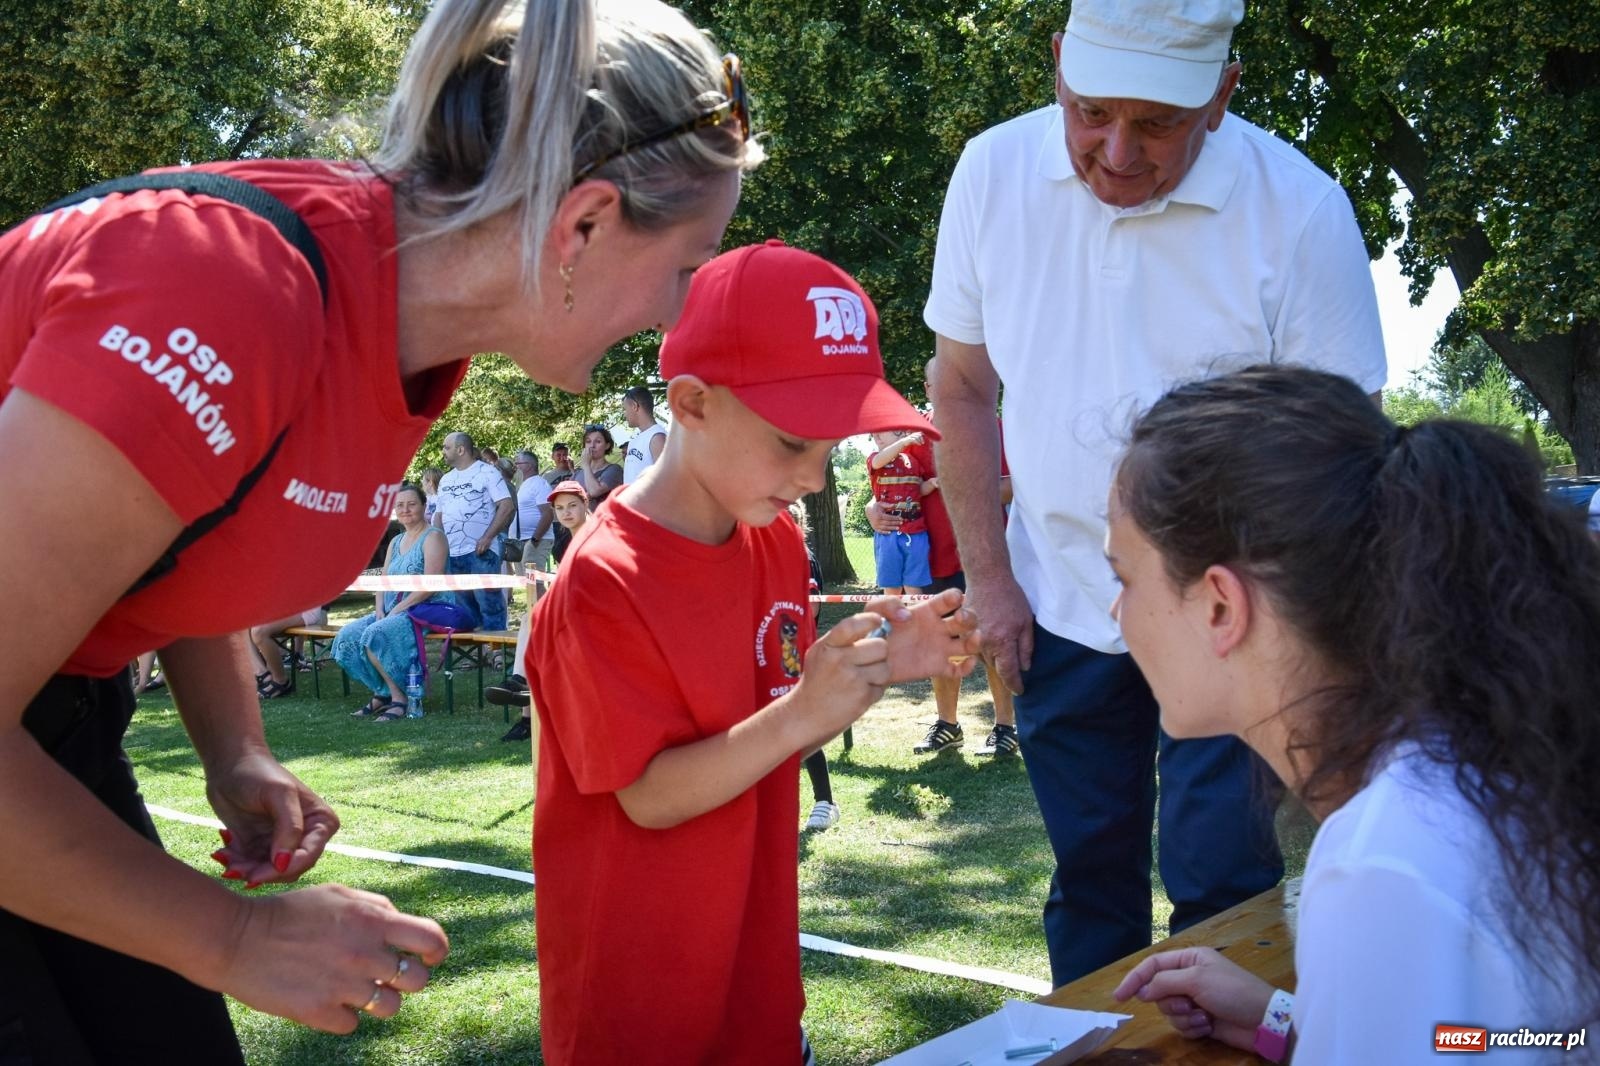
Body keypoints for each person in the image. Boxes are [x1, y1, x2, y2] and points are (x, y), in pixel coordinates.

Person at [0, 0, 758, 1055]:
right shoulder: (223, 287)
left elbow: (175, 537)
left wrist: (236, 753)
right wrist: (231, 938)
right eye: (687, 265)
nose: (679, 315)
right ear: (581, 224)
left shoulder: (403, 326)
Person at [924, 0, 1387, 985]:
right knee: (1089, 883)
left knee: (1223, 877)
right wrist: (990, 580)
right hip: (1056, 606)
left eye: (1159, 122)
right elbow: (960, 387)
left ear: (1221, 94)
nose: (1117, 152)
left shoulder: (1298, 211)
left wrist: (1294, 639)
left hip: (1236, 621)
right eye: (1090, 110)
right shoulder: (989, 173)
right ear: (1055, 65)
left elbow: (1342, 453)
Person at [527, 241, 981, 1064]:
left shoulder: (771, 540)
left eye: (832, 445)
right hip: (638, 1010)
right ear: (692, 402)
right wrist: (803, 711)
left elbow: (770, 737)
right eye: (791, 441)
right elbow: (650, 798)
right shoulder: (602, 579)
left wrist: (879, 664)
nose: (815, 475)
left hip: (756, 982)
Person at [1105, 365, 1600, 1064]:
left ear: (1220, 606)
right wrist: (1293, 1023)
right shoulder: (1480, 766)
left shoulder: (1386, 865)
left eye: (1123, 578)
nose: (1114, 613)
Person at [870, 410, 1020, 757]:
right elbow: (889, 481)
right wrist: (871, 508)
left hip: (983, 556)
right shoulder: (913, 434)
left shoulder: (992, 427)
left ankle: (1005, 728)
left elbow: (1013, 486)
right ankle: (948, 725)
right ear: (927, 386)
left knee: (989, 641)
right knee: (943, 643)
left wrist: (961, 483)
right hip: (929, 558)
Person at [333, 485, 455, 721]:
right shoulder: (395, 541)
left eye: (411, 504)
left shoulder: (434, 537)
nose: (405, 509)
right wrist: (380, 608)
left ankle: (400, 698)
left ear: (423, 506)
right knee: (346, 636)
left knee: (374, 634)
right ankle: (383, 691)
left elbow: (430, 585)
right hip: (391, 609)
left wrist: (397, 610)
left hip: (425, 609)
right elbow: (383, 581)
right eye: (400, 505)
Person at [490, 478, 590, 743]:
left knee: (534, 623)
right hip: (575, 614)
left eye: (572, 505)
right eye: (559, 508)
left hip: (600, 619)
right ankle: (524, 703)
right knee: (532, 623)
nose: (566, 512)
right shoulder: (565, 541)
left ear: (585, 505)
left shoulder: (597, 536)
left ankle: (521, 692)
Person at [436, 430, 515, 631]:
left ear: (461, 449)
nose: (443, 451)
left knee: (489, 603)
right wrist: (439, 545)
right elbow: (439, 515)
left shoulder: (488, 472)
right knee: (463, 609)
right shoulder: (445, 480)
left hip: (482, 552)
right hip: (453, 553)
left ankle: (496, 652)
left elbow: (506, 505)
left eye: (447, 447)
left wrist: (487, 537)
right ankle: (475, 656)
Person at [867, 429, 934, 596]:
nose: (876, 435)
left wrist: (933, 483)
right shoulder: (875, 458)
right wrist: (904, 442)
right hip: (889, 534)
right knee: (892, 587)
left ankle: (915, 620)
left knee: (914, 586)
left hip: (917, 531)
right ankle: (891, 621)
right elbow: (877, 462)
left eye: (903, 432)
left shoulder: (912, 461)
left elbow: (918, 490)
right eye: (897, 433)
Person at [247, 604, 331, 699]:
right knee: (240, 624)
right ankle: (262, 675)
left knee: (259, 632)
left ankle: (281, 681)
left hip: (304, 608)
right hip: (280, 606)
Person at [510, 449, 555, 578]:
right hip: (521, 541)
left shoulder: (539, 483)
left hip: (535, 540)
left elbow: (548, 513)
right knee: (527, 582)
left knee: (534, 582)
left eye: (518, 463)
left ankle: (544, 599)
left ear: (529, 465)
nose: (515, 466)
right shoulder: (524, 485)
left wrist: (535, 539)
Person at [620, 384, 667, 483]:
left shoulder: (658, 438)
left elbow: (665, 482)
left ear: (634, 406)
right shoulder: (634, 440)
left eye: (625, 409)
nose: (624, 414)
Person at [575, 422, 624, 508]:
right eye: (588, 441)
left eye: (598, 441)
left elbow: (594, 491)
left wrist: (586, 465)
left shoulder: (614, 470)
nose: (592, 446)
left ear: (607, 446)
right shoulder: (578, 473)